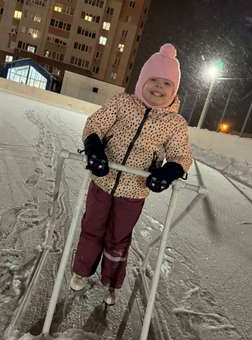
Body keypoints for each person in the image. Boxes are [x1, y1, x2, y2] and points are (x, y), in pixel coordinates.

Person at [70, 43, 193, 305]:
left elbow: (181, 155)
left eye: (166, 84)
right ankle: (81, 271)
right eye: (153, 80)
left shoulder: (174, 124)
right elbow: (95, 125)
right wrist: (94, 149)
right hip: (102, 180)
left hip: (134, 190)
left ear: (174, 90)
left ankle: (111, 283)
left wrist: (169, 172)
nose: (158, 87)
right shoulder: (122, 103)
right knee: (91, 228)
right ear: (142, 81)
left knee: (118, 237)